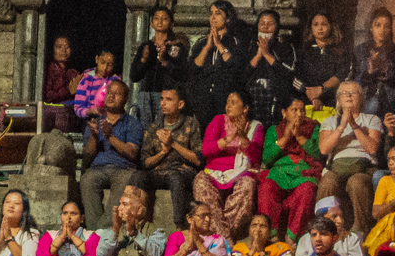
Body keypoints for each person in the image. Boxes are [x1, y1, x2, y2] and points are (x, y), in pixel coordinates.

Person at [194, 91, 263, 239]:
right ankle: (225, 239)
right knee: (200, 182)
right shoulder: (218, 121)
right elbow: (206, 149)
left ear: (245, 108)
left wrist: (244, 139)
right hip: (214, 172)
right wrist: (227, 139)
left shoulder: (255, 127)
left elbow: (257, 156)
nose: (228, 106)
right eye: (227, 102)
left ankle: (220, 238)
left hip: (241, 173)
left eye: (233, 102)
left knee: (248, 185)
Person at [317, 80, 382, 235]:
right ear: (338, 100)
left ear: (361, 99)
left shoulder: (371, 119)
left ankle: (360, 231)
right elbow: (324, 148)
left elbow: (372, 147)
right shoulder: (330, 121)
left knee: (357, 183)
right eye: (344, 93)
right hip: (336, 167)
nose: (349, 96)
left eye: (353, 93)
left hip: (363, 167)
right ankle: (322, 228)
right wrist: (342, 125)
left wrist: (353, 125)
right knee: (328, 182)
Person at [77, 77, 143, 230]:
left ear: (126, 99)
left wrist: (110, 137)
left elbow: (132, 152)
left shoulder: (132, 123)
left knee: (123, 183)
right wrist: (94, 136)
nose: (111, 96)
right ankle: (95, 230)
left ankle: (103, 230)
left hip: (123, 169)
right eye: (109, 93)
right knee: (87, 180)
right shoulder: (96, 122)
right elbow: (87, 157)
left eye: (117, 94)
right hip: (98, 168)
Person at [138, 87, 203, 229]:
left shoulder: (191, 124)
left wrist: (173, 143)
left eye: (168, 99)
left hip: (182, 171)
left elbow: (198, 159)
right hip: (158, 171)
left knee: (175, 177)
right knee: (138, 176)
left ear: (180, 104)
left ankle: (178, 226)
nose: (162, 103)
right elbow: (145, 162)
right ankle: (137, 222)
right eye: (161, 99)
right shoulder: (155, 126)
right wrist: (162, 153)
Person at [260, 96, 323, 241]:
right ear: (284, 113)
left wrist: (299, 137)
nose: (299, 114)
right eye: (294, 110)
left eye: (302, 110)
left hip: (303, 173)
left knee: (307, 190)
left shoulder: (314, 128)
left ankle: (292, 238)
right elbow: (267, 159)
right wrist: (286, 137)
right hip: (279, 173)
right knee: (266, 188)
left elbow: (318, 154)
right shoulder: (274, 130)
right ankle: (272, 236)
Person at [190, 0, 253, 122]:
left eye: (218, 13)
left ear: (228, 18)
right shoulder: (201, 42)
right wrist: (208, 46)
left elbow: (236, 65)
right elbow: (194, 68)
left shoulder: (235, 41)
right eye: (211, 13)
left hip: (225, 98)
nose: (213, 17)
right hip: (204, 99)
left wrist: (218, 44)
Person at [129, 7, 190, 128]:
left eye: (164, 19)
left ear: (172, 24)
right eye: (156, 18)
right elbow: (134, 76)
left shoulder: (176, 46)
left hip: (166, 95)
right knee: (146, 130)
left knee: (164, 127)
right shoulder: (146, 46)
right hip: (146, 94)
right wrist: (143, 60)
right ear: (151, 24)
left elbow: (182, 74)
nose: (160, 22)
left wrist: (164, 61)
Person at [244, 10, 301, 127]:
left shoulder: (285, 46)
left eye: (270, 24)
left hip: (276, 96)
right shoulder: (250, 45)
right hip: (254, 96)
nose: (265, 27)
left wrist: (266, 54)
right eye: (262, 23)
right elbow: (243, 74)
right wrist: (258, 55)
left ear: (277, 26)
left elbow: (288, 72)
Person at [291, 198, 368, 256]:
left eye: (341, 216)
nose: (340, 221)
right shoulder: (305, 240)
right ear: (321, 218)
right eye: (334, 216)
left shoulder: (351, 238)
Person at [298, 11, 347, 112]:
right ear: (311, 27)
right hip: (307, 99)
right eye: (316, 24)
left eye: (324, 24)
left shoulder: (340, 51)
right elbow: (296, 76)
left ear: (331, 26)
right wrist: (312, 96)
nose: (320, 28)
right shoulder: (304, 51)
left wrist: (322, 90)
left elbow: (342, 75)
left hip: (332, 100)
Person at [69, 49, 121, 125]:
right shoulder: (86, 80)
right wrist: (90, 111)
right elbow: (78, 107)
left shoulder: (115, 82)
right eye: (102, 62)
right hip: (90, 120)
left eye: (109, 65)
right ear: (96, 59)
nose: (105, 68)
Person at [43, 34, 79, 134]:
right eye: (59, 47)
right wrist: (69, 91)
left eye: (67, 47)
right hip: (52, 115)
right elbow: (48, 96)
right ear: (52, 49)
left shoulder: (73, 72)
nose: (63, 50)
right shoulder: (48, 69)